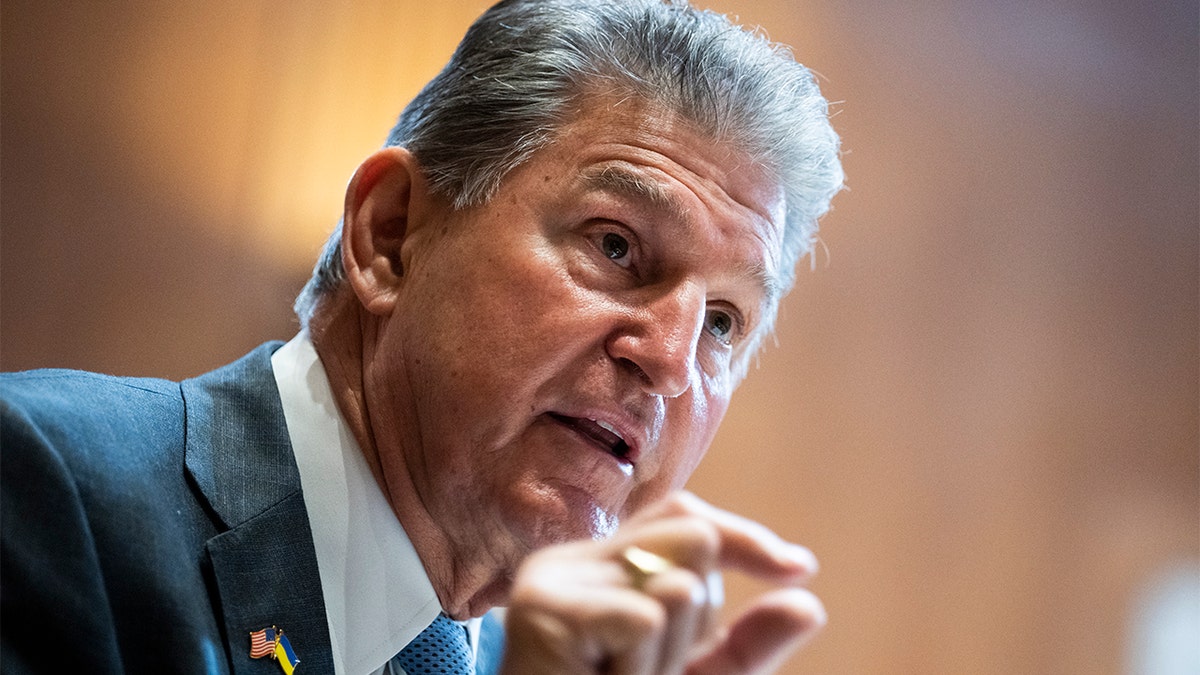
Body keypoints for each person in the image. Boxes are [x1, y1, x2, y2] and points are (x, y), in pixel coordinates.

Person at [0, 0, 843, 672]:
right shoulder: (45, 484)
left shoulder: (555, 661)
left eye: (724, 321)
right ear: (391, 235)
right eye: (616, 246)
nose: (667, 362)